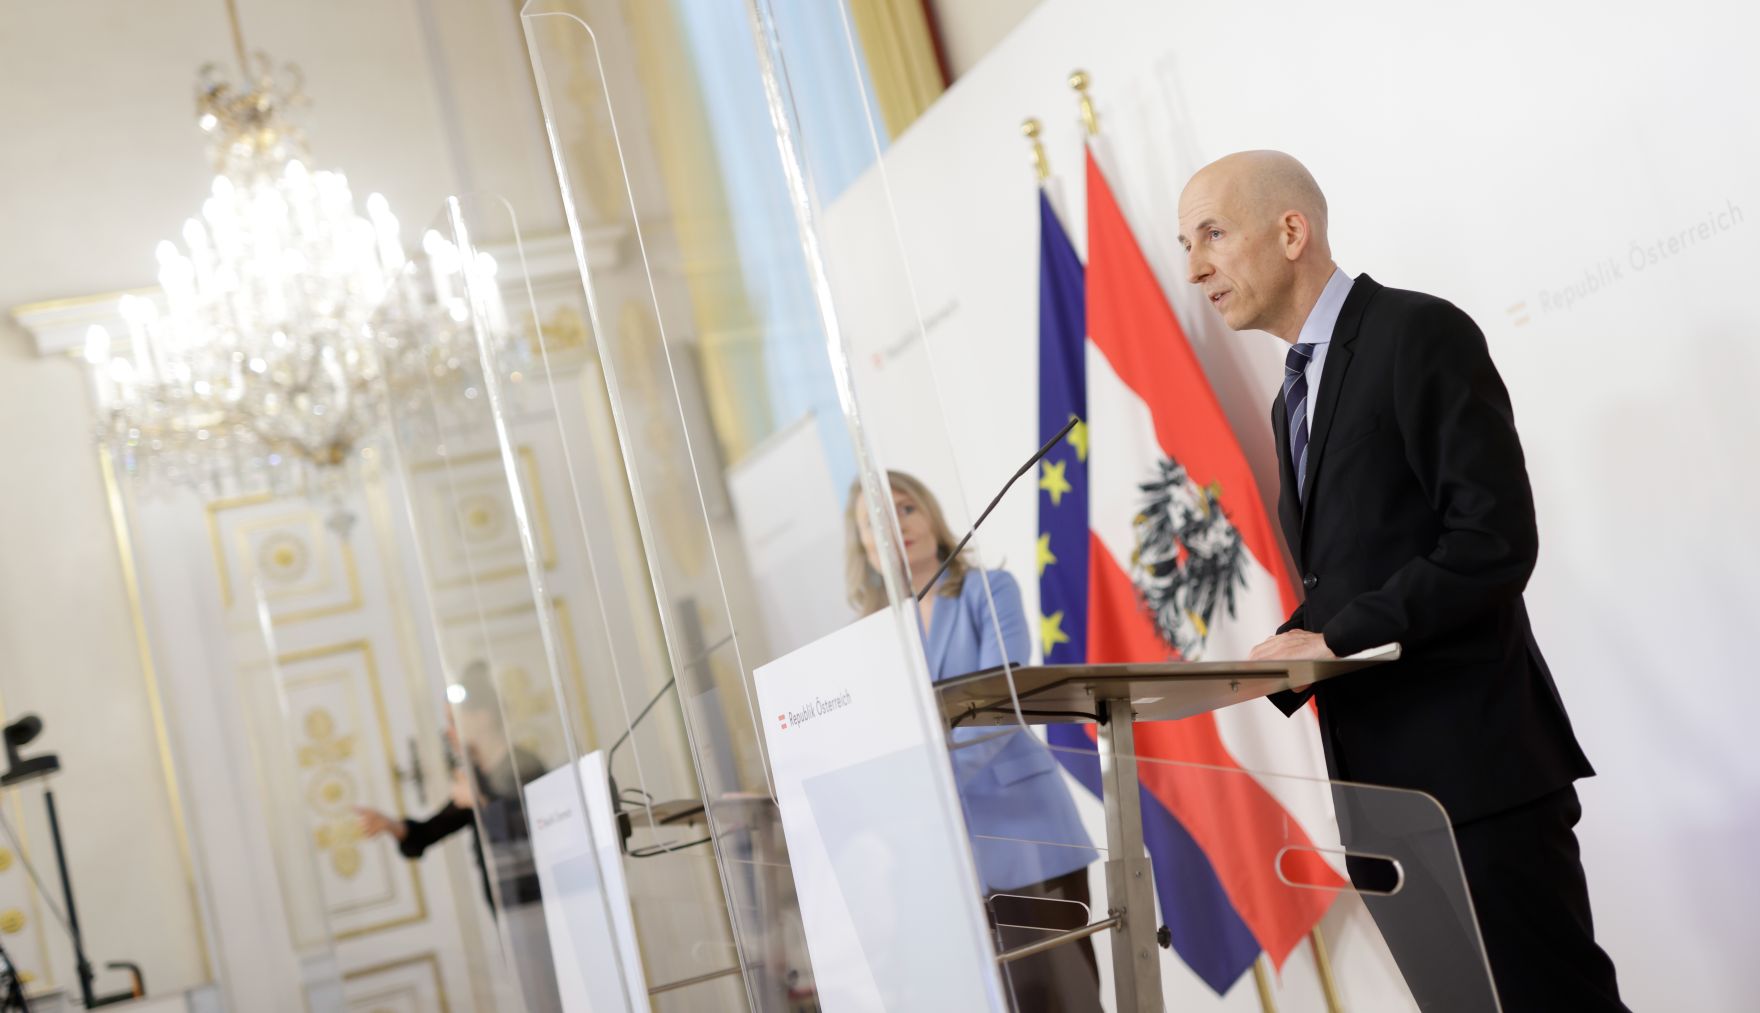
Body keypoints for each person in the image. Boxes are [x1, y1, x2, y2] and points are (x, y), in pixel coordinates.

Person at [1176, 150, 1626, 1011]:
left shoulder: (1418, 333)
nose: (1194, 266)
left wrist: (1334, 635)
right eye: (1186, 243)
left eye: (1212, 234)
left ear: (1291, 230)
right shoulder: (1291, 398)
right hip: (1380, 803)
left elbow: (1492, 540)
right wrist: (1283, 651)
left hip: (1475, 785)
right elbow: (1361, 565)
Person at [845, 470, 1100, 1013]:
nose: (896, 525)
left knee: (1066, 1000)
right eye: (875, 521)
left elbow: (998, 703)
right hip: (941, 854)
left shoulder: (989, 589)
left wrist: (931, 780)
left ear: (932, 516)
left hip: (1031, 832)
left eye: (906, 508)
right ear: (864, 547)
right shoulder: (873, 636)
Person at [356, 661, 562, 1013]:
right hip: (510, 908)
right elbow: (429, 831)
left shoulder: (523, 765)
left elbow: (535, 828)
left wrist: (479, 801)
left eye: (454, 721)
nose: (449, 732)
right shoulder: (479, 776)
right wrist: (393, 825)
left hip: (543, 907)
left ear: (482, 717)